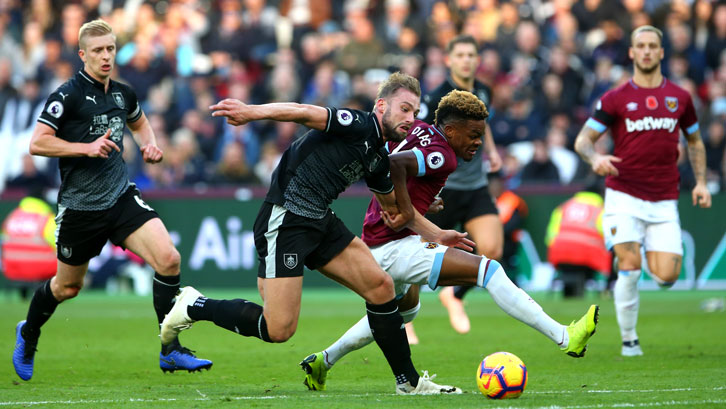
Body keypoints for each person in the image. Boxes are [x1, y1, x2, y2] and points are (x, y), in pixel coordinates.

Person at [161, 72, 471, 395]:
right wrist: (251, 112)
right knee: (278, 328)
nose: (411, 118)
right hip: (285, 219)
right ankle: (193, 305)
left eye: (415, 112)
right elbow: (304, 112)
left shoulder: (378, 158)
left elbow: (396, 211)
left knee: (381, 287)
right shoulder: (359, 124)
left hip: (320, 219)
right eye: (404, 109)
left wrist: (436, 228)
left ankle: (408, 382)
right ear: (381, 106)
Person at [299, 90, 599, 391]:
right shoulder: (442, 155)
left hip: (383, 243)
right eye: (473, 135)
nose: (478, 143)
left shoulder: (418, 130)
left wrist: (415, 203)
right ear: (451, 130)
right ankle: (564, 336)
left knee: (404, 311)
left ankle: (323, 360)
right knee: (488, 270)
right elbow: (394, 165)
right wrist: (412, 215)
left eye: (481, 135)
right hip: (396, 247)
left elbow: (386, 159)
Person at [12, 20, 211, 382]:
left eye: (111, 49)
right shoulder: (67, 95)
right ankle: (28, 333)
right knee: (67, 287)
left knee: (168, 259)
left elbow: (139, 123)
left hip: (120, 197)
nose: (106, 56)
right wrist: (85, 148)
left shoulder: (123, 93)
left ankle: (171, 350)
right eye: (99, 50)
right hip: (81, 209)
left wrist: (148, 144)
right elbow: (37, 142)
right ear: (82, 54)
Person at [574, 25, 711, 357]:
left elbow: (694, 141)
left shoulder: (680, 98)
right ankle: (629, 340)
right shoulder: (615, 97)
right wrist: (595, 158)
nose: (647, 51)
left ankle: (635, 258)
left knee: (666, 276)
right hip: (623, 194)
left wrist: (702, 183)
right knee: (631, 267)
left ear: (661, 52)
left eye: (653, 46)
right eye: (641, 46)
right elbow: (582, 141)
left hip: (664, 198)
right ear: (632, 53)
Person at [419, 35, 504, 336]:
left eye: (471, 54)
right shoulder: (436, 98)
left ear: (477, 59)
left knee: (492, 248)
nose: (467, 59)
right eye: (461, 55)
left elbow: (485, 122)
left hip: (476, 185)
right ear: (449, 60)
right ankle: (403, 321)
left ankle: (453, 296)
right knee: (416, 257)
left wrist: (491, 151)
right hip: (441, 190)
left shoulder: (483, 90)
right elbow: (421, 135)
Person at [545, 185, 612, 298]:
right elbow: (608, 236)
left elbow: (550, 236)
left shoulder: (564, 206)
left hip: (559, 254)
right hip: (587, 256)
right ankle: (608, 289)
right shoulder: (600, 209)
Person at [1, 189, 57, 298]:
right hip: (42, 268)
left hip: (12, 267)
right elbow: (57, 243)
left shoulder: (12, 216)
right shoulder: (45, 217)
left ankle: (23, 292)